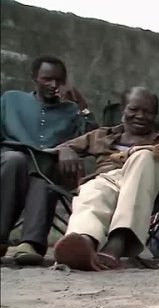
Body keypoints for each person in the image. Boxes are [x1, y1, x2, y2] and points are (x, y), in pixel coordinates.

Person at [51, 86, 159, 271]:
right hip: (106, 179)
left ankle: (117, 243)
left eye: (147, 112)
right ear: (122, 110)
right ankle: (83, 245)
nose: (140, 116)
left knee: (145, 156)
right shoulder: (102, 135)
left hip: (145, 182)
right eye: (133, 109)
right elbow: (59, 148)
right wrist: (66, 150)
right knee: (92, 191)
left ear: (155, 116)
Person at [0, 55, 96, 264]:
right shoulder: (11, 99)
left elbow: (94, 138)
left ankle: (31, 244)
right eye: (47, 79)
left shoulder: (71, 110)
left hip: (51, 168)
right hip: (12, 163)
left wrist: (82, 106)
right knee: (14, 160)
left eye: (59, 81)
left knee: (44, 174)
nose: (54, 85)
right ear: (34, 77)